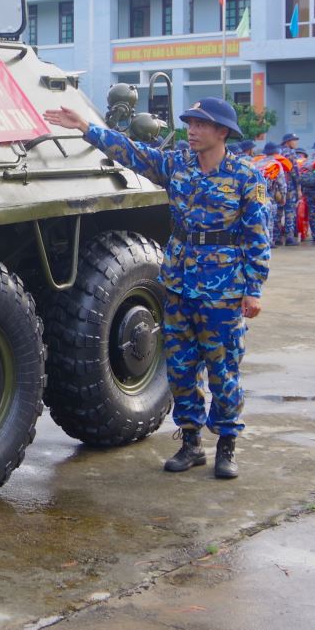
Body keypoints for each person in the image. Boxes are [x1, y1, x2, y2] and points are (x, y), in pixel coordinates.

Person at [44, 97, 270, 480]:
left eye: (201, 124)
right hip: (178, 284)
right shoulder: (177, 165)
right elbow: (132, 152)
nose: (192, 130)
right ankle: (191, 442)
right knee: (181, 368)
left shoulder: (247, 178)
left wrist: (254, 288)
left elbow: (258, 236)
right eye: (190, 123)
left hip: (223, 289)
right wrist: (86, 128)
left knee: (223, 369)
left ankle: (227, 444)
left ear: (222, 132)